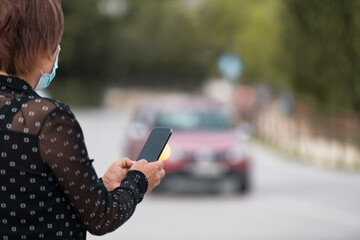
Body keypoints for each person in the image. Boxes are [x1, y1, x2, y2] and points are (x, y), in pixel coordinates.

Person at [0, 0, 165, 239]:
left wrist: (102, 186)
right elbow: (101, 217)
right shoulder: (48, 120)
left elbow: (29, 201)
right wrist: (138, 181)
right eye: (56, 44)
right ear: (42, 49)